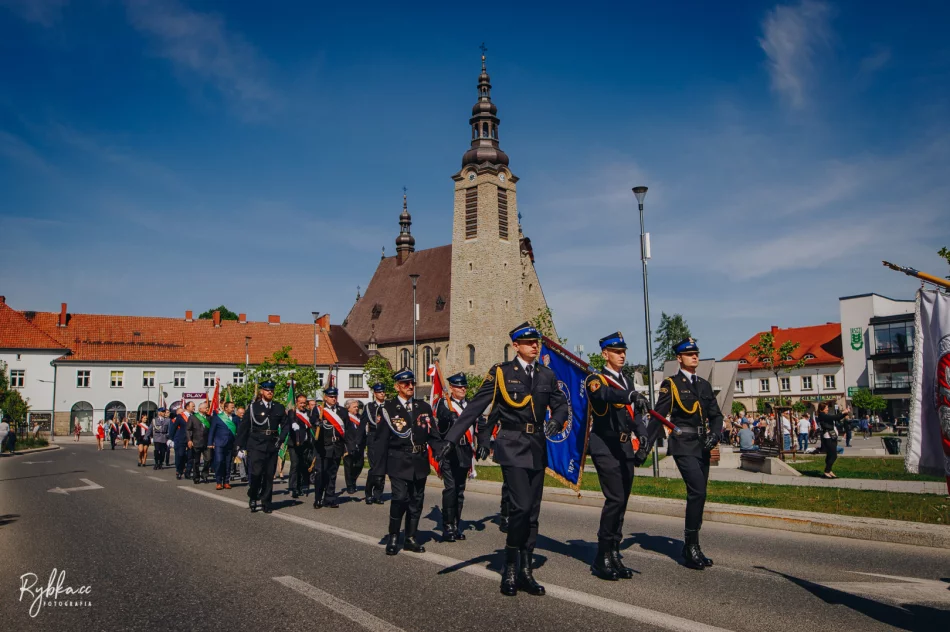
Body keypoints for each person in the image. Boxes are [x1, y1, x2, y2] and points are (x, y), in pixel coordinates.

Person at [438, 322, 568, 597]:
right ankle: (509, 568)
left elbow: (561, 404)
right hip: (512, 446)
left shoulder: (546, 374)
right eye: (529, 342)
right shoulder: (501, 373)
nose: (535, 345)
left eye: (537, 342)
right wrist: (450, 439)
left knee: (532, 512)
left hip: (537, 447)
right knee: (519, 508)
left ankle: (525, 571)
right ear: (516, 345)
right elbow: (474, 407)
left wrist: (557, 420)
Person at [583, 332, 651, 581]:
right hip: (605, 447)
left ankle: (614, 552)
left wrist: (643, 436)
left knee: (622, 503)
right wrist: (628, 395)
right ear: (605, 354)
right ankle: (601, 556)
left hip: (624, 449)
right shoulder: (596, 379)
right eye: (616, 351)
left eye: (624, 351)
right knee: (614, 499)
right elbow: (604, 396)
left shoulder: (627, 382)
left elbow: (633, 415)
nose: (622, 354)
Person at [652, 338, 723, 571]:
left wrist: (716, 434)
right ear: (679, 358)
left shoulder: (703, 384)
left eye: (696, 353)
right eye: (689, 354)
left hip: (703, 444)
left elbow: (717, 415)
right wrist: (644, 443)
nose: (695, 357)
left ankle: (693, 544)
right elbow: (659, 415)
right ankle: (690, 547)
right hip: (683, 443)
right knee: (697, 490)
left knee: (700, 495)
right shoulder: (671, 384)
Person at [370, 369, 449, 556]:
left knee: (416, 501)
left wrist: (441, 451)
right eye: (406, 384)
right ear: (397, 386)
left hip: (419, 461)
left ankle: (410, 538)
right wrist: (378, 472)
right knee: (399, 498)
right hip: (398, 460)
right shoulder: (387, 409)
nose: (411, 386)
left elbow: (433, 435)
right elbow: (380, 442)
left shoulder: (424, 407)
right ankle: (394, 536)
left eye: (412, 383)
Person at [432, 372, 483, 543]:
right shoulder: (444, 403)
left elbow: (478, 424)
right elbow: (440, 414)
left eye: (465, 386)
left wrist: (483, 442)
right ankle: (447, 527)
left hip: (465, 450)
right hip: (450, 451)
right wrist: (450, 415)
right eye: (459, 386)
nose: (463, 389)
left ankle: (456, 524)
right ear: (452, 388)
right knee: (451, 489)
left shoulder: (470, 404)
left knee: (460, 491)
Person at [235, 381, 286, 513]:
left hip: (272, 444)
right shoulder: (253, 408)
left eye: (272, 390)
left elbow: (286, 425)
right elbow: (244, 427)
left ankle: (266, 502)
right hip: (256, 444)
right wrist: (239, 445)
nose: (270, 392)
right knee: (256, 473)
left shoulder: (279, 407)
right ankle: (253, 495)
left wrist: (281, 439)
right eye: (267, 390)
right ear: (262, 392)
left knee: (269, 475)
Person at [311, 387, 346, 509]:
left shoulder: (342, 411)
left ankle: (329, 498)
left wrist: (348, 446)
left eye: (335, 396)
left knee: (332, 474)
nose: (333, 398)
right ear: (325, 397)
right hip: (323, 447)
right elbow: (312, 421)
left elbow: (347, 430)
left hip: (337, 446)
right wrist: (316, 423)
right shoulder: (319, 410)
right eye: (331, 397)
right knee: (321, 473)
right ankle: (318, 498)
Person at [278, 394, 314, 499]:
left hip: (306, 443)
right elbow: (290, 421)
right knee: (295, 465)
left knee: (304, 465)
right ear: (296, 403)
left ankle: (302, 486)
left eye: (304, 402)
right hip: (294, 443)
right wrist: (293, 424)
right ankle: (292, 488)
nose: (303, 405)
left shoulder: (308, 413)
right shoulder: (292, 413)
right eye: (301, 402)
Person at [360, 383, 388, 505]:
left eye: (383, 391)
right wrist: (358, 442)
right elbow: (362, 425)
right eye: (379, 392)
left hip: (386, 439)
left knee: (383, 469)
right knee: (374, 468)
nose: (382, 393)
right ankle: (368, 493)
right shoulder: (369, 407)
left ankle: (378, 494)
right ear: (375, 394)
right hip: (373, 439)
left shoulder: (389, 406)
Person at [208, 400, 239, 490]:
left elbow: (239, 431)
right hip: (219, 444)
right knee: (219, 462)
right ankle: (218, 481)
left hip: (230, 444)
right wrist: (210, 443)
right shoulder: (217, 418)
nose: (233, 409)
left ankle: (226, 482)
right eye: (231, 407)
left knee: (228, 463)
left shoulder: (235, 418)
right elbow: (212, 431)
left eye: (234, 407)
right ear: (225, 408)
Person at [817, 402, 850, 479]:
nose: (827, 409)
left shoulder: (825, 415)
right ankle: (826, 471)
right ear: (822, 409)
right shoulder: (822, 415)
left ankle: (829, 470)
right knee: (834, 455)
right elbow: (833, 418)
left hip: (832, 436)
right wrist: (843, 412)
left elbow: (837, 418)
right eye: (826, 408)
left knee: (830, 455)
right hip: (828, 437)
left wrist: (845, 413)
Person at [342, 398, 366, 495]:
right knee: (348, 466)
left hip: (359, 445)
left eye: (357, 407)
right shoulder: (345, 418)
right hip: (348, 445)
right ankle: (350, 486)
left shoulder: (360, 417)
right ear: (348, 408)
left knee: (359, 465)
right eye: (354, 407)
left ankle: (353, 480)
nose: (357, 408)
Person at [187, 401, 213, 484]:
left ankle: (204, 475)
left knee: (208, 459)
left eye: (207, 407)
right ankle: (196, 477)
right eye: (206, 407)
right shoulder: (193, 417)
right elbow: (188, 429)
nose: (207, 409)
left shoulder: (209, 417)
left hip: (207, 442)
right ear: (200, 409)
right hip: (196, 442)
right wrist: (189, 440)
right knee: (196, 461)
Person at [169, 402, 192, 480]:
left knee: (190, 456)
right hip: (181, 438)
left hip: (191, 439)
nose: (194, 407)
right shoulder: (180, 416)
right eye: (193, 406)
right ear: (187, 407)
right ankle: (179, 470)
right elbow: (174, 427)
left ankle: (188, 472)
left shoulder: (194, 416)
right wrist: (171, 439)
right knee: (181, 455)